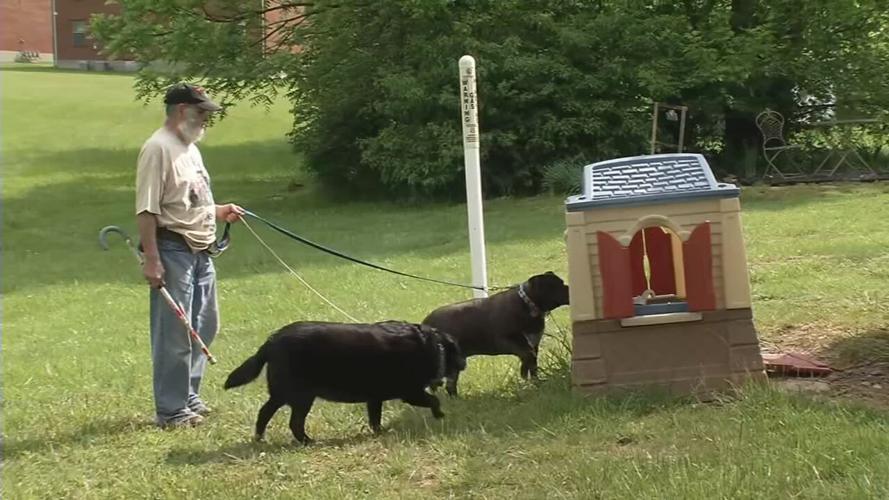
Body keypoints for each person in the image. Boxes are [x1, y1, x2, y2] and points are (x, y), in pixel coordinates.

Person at [135, 82, 244, 428]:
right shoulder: (157, 148)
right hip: (172, 250)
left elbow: (191, 199)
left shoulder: (190, 147)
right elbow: (147, 210)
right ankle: (171, 410)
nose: (207, 119)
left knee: (205, 325)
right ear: (182, 110)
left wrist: (219, 210)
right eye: (202, 112)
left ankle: (188, 394)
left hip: (201, 252)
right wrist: (152, 259)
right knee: (175, 333)